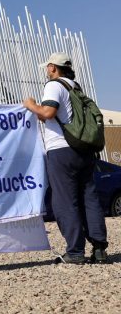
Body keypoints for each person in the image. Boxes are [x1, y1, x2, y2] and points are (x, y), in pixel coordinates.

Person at [23, 52, 109, 264]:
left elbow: (49, 112)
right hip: (84, 149)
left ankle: (75, 251)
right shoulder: (75, 87)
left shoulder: (54, 85)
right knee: (89, 198)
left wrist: (31, 105)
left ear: (53, 67)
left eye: (48, 67)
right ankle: (99, 249)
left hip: (62, 150)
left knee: (64, 201)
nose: (46, 70)